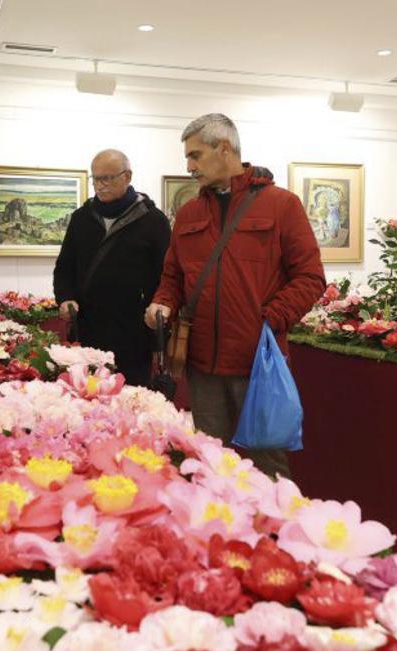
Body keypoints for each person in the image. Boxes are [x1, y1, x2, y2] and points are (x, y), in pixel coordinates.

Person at [144, 114, 326, 479]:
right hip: (202, 367)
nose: (189, 166)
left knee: (267, 471)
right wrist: (162, 302)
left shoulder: (282, 205)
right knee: (211, 466)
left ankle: (274, 535)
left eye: (195, 155)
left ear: (223, 148)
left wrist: (268, 321)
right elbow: (173, 275)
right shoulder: (190, 213)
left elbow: (310, 277)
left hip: (258, 367)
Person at [54, 149, 170, 387]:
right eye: (96, 178)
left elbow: (168, 274)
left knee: (130, 401)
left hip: (134, 335)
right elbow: (64, 267)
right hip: (88, 330)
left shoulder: (153, 221)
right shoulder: (81, 218)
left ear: (127, 176)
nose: (100, 185)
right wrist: (65, 298)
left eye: (107, 178)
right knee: (86, 399)